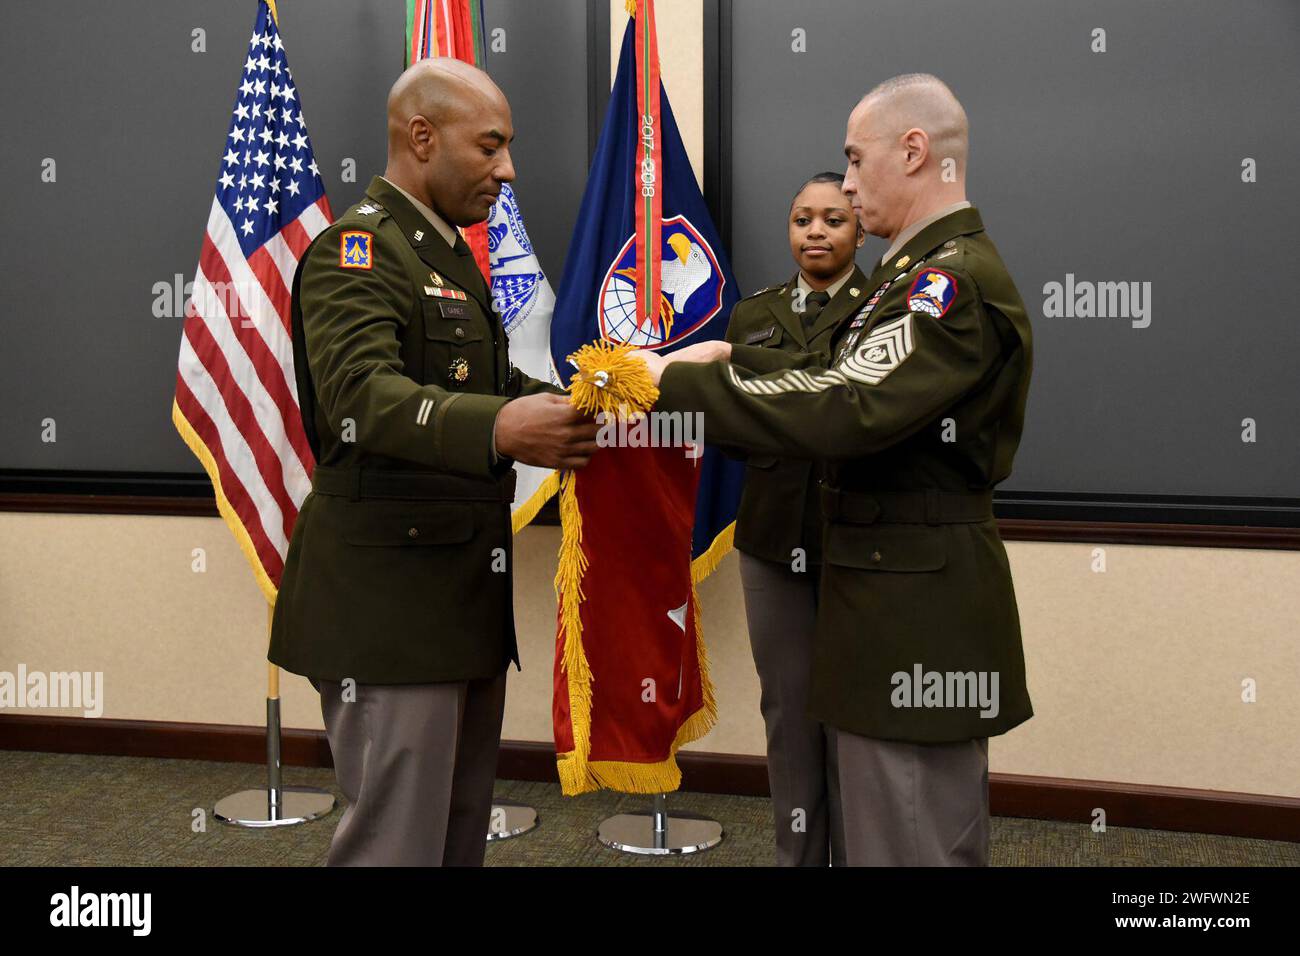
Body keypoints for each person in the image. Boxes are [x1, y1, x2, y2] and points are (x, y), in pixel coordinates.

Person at [639, 73, 1034, 866]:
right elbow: (829, 372)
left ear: (914, 151)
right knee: (883, 830)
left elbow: (847, 404)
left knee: (911, 837)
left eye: (856, 161)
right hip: (884, 602)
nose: (847, 184)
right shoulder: (907, 274)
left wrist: (678, 381)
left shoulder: (942, 284)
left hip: (911, 617)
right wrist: (734, 355)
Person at [268, 58, 599, 867]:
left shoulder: (444, 254)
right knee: (394, 846)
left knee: (453, 838)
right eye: (490, 147)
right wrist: (501, 431)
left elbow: (489, 383)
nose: (507, 170)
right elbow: (360, 396)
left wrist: (597, 396)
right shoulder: (358, 249)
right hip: (389, 613)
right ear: (423, 137)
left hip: (455, 606)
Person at [724, 171, 866, 866]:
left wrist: (773, 404)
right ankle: (798, 858)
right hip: (772, 539)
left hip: (856, 542)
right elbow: (727, 426)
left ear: (860, 229)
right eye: (802, 219)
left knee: (852, 717)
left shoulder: (885, 310)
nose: (815, 232)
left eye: (833, 220)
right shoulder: (752, 316)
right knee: (787, 712)